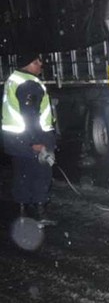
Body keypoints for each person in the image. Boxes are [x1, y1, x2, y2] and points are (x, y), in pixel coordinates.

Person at [1, 51, 57, 221]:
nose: (41, 65)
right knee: (41, 175)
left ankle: (23, 212)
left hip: (16, 140)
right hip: (30, 140)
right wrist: (37, 142)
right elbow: (31, 116)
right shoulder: (29, 84)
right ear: (31, 63)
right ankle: (40, 213)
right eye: (39, 62)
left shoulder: (14, 79)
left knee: (22, 175)